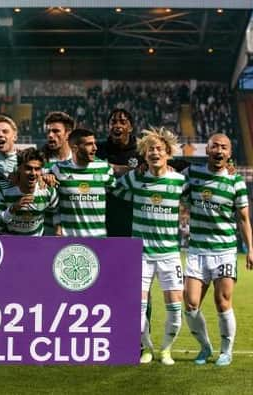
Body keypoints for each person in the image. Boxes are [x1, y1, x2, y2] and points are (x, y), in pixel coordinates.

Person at [112, 127, 187, 365]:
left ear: (168, 154)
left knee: (175, 310)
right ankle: (146, 348)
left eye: (159, 149)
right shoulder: (135, 178)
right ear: (144, 155)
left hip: (170, 256)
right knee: (138, 309)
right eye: (150, 149)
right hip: (141, 254)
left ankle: (165, 349)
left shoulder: (179, 181)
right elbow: (115, 190)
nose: (154, 152)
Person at [183, 133, 253, 366]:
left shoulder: (236, 182)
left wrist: (251, 248)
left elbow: (243, 219)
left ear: (229, 153)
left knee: (222, 301)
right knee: (191, 304)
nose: (219, 151)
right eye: (214, 146)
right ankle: (205, 347)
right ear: (208, 150)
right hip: (196, 250)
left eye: (224, 147)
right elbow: (170, 182)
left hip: (224, 250)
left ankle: (226, 351)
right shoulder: (193, 175)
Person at [51, 128, 116, 237]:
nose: (95, 148)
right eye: (89, 144)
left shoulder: (104, 168)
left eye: (94, 143)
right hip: (68, 238)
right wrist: (57, 224)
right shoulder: (58, 169)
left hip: (98, 238)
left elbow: (118, 196)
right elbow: (52, 203)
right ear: (75, 148)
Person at [0, 148, 58, 235]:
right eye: (28, 168)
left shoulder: (48, 190)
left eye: (37, 169)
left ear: (41, 171)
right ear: (19, 168)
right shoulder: (3, 188)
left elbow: (57, 212)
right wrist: (12, 209)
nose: (33, 173)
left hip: (36, 244)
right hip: (9, 244)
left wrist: (56, 231)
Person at [96, 108, 143, 236]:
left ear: (131, 127)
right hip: (103, 218)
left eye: (122, 122)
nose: (117, 126)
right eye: (113, 122)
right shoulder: (98, 149)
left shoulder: (141, 151)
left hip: (133, 219)